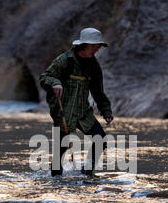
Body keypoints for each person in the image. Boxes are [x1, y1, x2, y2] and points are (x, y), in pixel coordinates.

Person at [39, 27, 114, 177]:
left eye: (97, 46)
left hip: (82, 111)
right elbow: (44, 77)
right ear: (83, 45)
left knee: (101, 140)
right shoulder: (64, 60)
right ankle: (55, 182)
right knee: (60, 151)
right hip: (63, 112)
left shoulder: (94, 66)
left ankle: (86, 174)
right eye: (92, 46)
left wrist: (106, 111)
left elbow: (98, 92)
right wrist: (55, 83)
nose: (95, 50)